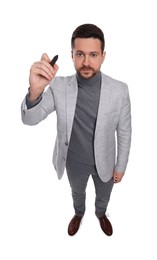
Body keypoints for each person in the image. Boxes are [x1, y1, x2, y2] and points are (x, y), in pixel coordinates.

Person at [21, 23, 132, 236]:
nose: (86, 62)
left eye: (93, 54)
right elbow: (30, 119)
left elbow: (125, 131)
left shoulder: (120, 90)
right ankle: (79, 213)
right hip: (73, 161)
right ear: (72, 55)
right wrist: (34, 92)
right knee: (77, 192)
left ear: (103, 56)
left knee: (103, 195)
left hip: (106, 163)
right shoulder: (59, 86)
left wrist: (121, 166)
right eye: (80, 54)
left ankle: (101, 213)